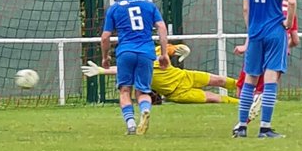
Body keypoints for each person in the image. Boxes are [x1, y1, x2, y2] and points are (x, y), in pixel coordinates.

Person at [233, 0, 296, 139]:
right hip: (274, 31)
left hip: (256, 31)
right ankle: (265, 128)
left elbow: (245, 7)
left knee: (250, 78)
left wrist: (251, 28)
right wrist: (287, 23)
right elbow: (292, 1)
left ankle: (241, 126)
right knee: (270, 78)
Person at [96, 0, 170, 134]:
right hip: (146, 52)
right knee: (143, 91)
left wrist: (105, 57)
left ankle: (130, 124)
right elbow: (162, 28)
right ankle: (145, 109)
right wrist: (164, 54)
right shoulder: (149, 6)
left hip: (125, 52)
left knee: (124, 90)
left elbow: (105, 36)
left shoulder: (115, 8)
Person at [85, 43, 240, 107]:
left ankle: (250, 90)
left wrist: (185, 48)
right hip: (177, 93)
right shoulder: (136, 67)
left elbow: (173, 49)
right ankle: (242, 105)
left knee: (219, 80)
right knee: (213, 97)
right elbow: (118, 70)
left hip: (186, 76)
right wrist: (101, 70)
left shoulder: (156, 51)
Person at [234, 0, 299, 121]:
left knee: (244, 88)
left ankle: (242, 124)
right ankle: (263, 124)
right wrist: (285, 46)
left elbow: (253, 27)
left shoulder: (262, 5)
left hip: (257, 48)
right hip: (276, 51)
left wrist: (245, 46)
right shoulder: (289, 9)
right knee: (267, 87)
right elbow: (295, 40)